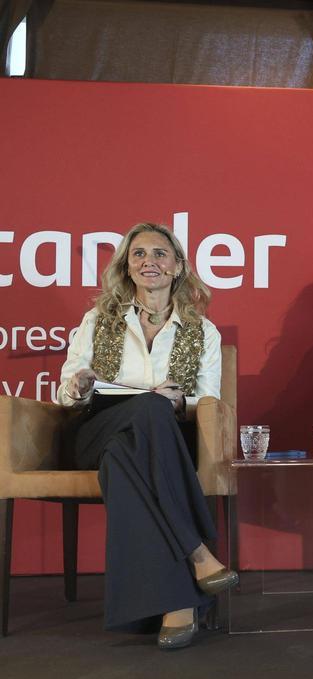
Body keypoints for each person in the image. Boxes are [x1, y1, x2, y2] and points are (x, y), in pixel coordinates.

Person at [58, 222, 237, 650]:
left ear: (177, 267)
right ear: (127, 266)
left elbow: (206, 401)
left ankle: (173, 603)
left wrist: (179, 402)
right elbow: (67, 393)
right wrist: (79, 385)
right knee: (142, 414)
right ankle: (197, 553)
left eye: (159, 254)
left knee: (128, 455)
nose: (148, 262)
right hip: (96, 427)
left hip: (156, 436)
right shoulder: (98, 320)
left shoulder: (202, 331)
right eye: (138, 254)